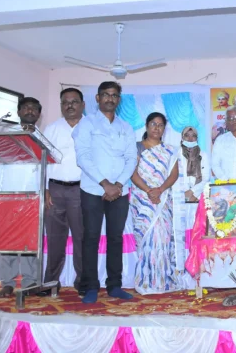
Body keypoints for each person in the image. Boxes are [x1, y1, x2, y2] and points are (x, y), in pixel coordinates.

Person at [73, 81, 137, 304]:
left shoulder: (126, 127)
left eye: (114, 95)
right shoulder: (86, 124)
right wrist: (105, 184)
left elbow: (131, 158)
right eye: (106, 94)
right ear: (98, 98)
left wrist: (117, 185)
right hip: (92, 189)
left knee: (115, 238)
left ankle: (114, 286)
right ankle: (91, 286)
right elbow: (83, 157)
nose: (110, 98)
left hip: (120, 191)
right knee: (90, 237)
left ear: (119, 99)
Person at [0, 97, 43, 297]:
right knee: (8, 241)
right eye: (26, 108)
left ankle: (30, 282)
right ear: (19, 111)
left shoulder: (42, 137)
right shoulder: (7, 135)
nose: (30, 111)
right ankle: (8, 283)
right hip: (9, 196)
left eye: (34, 109)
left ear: (39, 114)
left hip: (34, 198)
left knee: (30, 242)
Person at [38, 88, 85, 296]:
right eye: (65, 102)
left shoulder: (91, 127)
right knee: (55, 238)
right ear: (61, 106)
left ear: (82, 105)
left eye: (74, 101)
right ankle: (51, 282)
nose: (70, 105)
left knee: (82, 238)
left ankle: (83, 281)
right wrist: (45, 188)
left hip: (81, 190)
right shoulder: (52, 128)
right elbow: (43, 159)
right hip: (54, 190)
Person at [130, 112, 180, 295]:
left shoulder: (170, 150)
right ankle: (145, 281)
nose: (156, 128)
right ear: (146, 126)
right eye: (153, 124)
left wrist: (159, 189)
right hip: (142, 200)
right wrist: (149, 190)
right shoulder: (137, 147)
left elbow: (174, 174)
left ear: (164, 129)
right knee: (146, 239)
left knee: (162, 238)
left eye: (160, 125)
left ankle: (163, 281)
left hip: (163, 199)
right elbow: (132, 173)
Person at [212, 106, 236, 181]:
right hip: (225, 185)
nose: (234, 120)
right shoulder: (220, 140)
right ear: (226, 122)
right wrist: (227, 181)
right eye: (230, 118)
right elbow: (215, 165)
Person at [178, 126, 210, 203]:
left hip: (198, 195)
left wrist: (193, 192)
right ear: (182, 138)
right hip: (180, 195)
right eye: (187, 135)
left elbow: (206, 178)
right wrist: (185, 194)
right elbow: (175, 178)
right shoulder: (176, 155)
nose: (190, 139)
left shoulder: (203, 155)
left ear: (197, 139)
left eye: (193, 136)